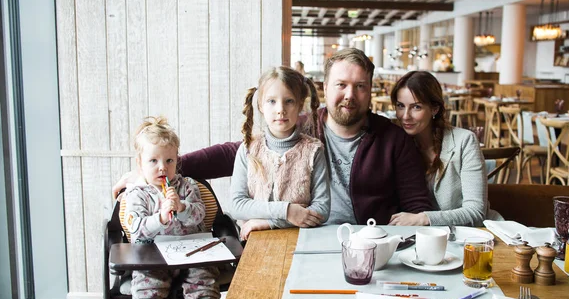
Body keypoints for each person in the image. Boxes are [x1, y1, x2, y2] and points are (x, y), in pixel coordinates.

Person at [114, 49, 431, 225]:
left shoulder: (393, 140)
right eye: (342, 84)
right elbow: (234, 153)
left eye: (360, 86)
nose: (350, 94)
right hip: (298, 235)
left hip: (365, 242)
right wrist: (164, 168)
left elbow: (417, 208)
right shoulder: (304, 127)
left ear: (370, 90)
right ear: (325, 87)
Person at [124, 116, 219, 299]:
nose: (162, 167)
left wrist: (183, 207)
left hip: (190, 251)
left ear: (177, 160)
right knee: (146, 283)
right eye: (153, 160)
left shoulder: (187, 186)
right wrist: (159, 218)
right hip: (152, 255)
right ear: (140, 163)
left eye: (169, 160)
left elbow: (200, 214)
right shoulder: (137, 194)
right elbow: (135, 229)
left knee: (204, 277)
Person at [230, 66, 330, 240]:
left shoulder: (313, 151)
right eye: (271, 101)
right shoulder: (248, 149)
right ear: (260, 105)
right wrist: (287, 211)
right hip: (254, 242)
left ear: (300, 105)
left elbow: (322, 209)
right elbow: (236, 205)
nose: (280, 109)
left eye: (289, 101)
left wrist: (269, 222)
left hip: (302, 239)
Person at [389, 71, 492, 227]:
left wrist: (424, 219)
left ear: (434, 109)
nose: (405, 116)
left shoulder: (464, 141)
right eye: (400, 106)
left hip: (470, 237)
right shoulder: (396, 145)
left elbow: (476, 212)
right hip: (423, 239)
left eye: (416, 107)